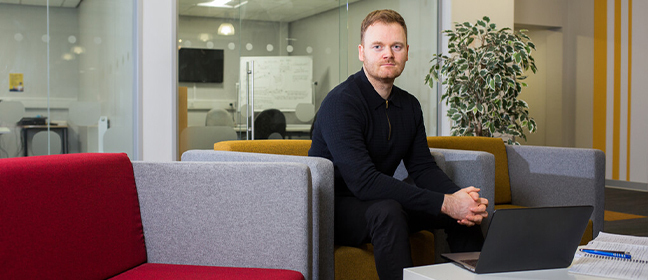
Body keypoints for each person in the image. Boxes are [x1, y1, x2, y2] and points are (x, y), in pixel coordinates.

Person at [308, 9, 488, 280]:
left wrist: (460, 200)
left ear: (406, 52)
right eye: (377, 46)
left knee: (461, 212)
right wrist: (445, 202)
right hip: (335, 208)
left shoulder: (409, 106)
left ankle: (481, 277)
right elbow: (363, 181)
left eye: (396, 46)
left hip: (381, 200)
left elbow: (423, 168)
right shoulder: (340, 103)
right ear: (362, 52)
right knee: (388, 211)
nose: (388, 54)